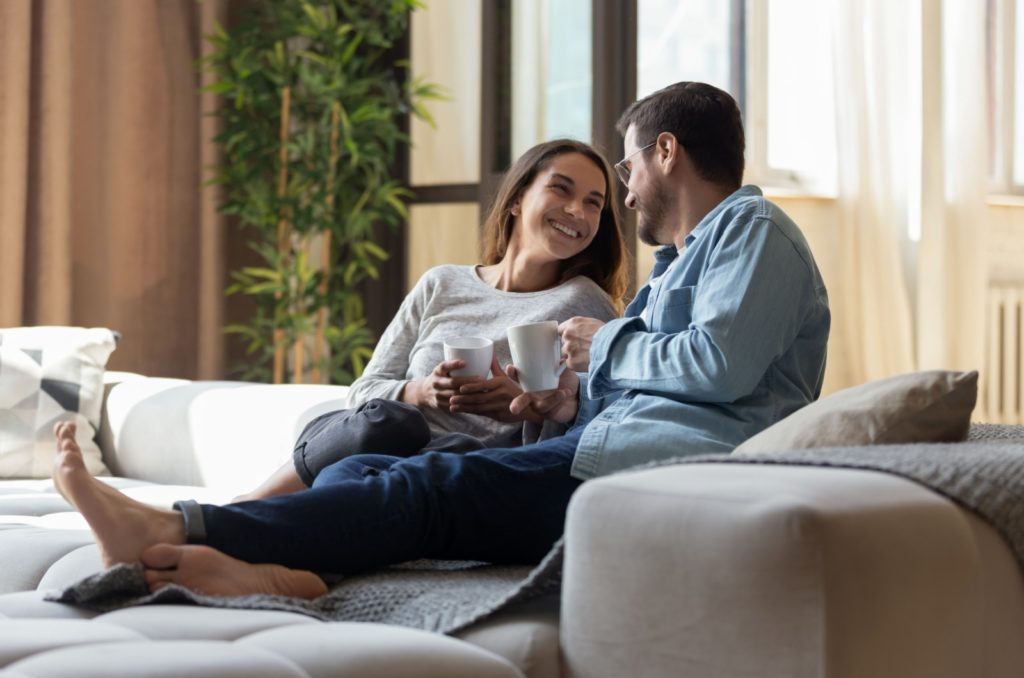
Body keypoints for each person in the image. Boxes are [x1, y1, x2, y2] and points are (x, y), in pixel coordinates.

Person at [51, 81, 830, 600]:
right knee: (368, 460)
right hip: (601, 450)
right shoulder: (680, 264)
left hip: (646, 472)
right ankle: (288, 573)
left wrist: (601, 350)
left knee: (427, 490)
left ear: (667, 152)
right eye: (575, 188)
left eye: (622, 171)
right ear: (520, 197)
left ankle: (180, 525)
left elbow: (719, 368)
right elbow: (634, 380)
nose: (622, 195)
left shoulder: (751, 228)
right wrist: (556, 397)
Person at [235, 138, 627, 501]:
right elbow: (363, 392)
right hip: (381, 446)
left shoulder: (585, 304)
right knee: (387, 423)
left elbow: (604, 421)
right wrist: (420, 391)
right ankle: (250, 506)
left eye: (594, 202)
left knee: (374, 471)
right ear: (517, 199)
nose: (578, 210)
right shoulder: (442, 283)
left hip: (465, 470)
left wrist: (523, 406)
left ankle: (249, 519)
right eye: (561, 188)